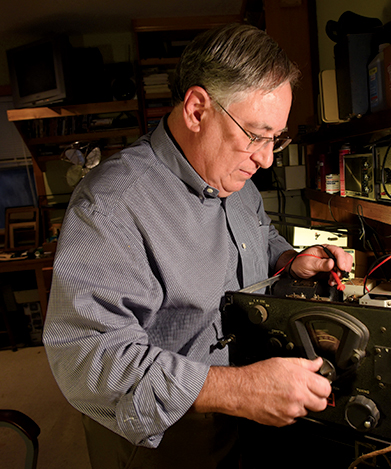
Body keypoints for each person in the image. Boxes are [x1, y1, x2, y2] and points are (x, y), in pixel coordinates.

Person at [43, 23, 353, 469]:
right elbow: (87, 358)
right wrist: (236, 389)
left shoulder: (236, 176)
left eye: (276, 139)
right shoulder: (111, 204)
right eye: (256, 135)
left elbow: (258, 235)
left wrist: (288, 260)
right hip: (165, 433)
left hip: (248, 406)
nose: (266, 158)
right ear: (196, 110)